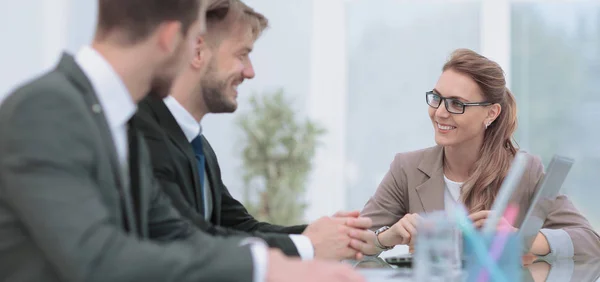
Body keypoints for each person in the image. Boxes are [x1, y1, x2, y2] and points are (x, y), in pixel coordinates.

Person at [0, 0, 366, 281]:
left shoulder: (116, 122)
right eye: (194, 38)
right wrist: (265, 267)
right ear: (169, 37)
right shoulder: (46, 107)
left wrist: (287, 261)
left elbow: (177, 234)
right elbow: (96, 257)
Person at [135, 0, 370, 261]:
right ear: (197, 51)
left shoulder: (197, 146)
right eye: (241, 54)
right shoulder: (142, 133)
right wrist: (309, 245)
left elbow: (240, 229)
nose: (250, 72)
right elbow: (191, 238)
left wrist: (335, 235)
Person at [347, 49, 600, 259]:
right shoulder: (408, 169)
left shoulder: (525, 171)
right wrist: (386, 237)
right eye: (436, 98)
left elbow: (589, 241)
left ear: (491, 113)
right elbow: (352, 243)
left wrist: (523, 239)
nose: (440, 113)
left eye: (457, 104)